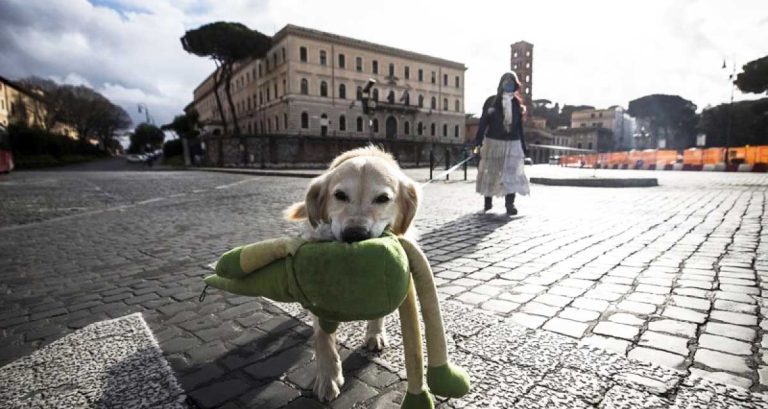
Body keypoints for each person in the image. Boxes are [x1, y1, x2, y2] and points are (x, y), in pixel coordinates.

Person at [473, 71, 530, 215]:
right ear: (501, 84)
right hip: (493, 142)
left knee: (511, 175)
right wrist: (478, 141)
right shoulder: (491, 101)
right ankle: (488, 201)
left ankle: (510, 204)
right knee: (490, 172)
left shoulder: (517, 103)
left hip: (513, 143)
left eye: (512, 82)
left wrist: (523, 146)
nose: (509, 84)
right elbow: (483, 122)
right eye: (506, 81)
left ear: (515, 85)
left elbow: (519, 127)